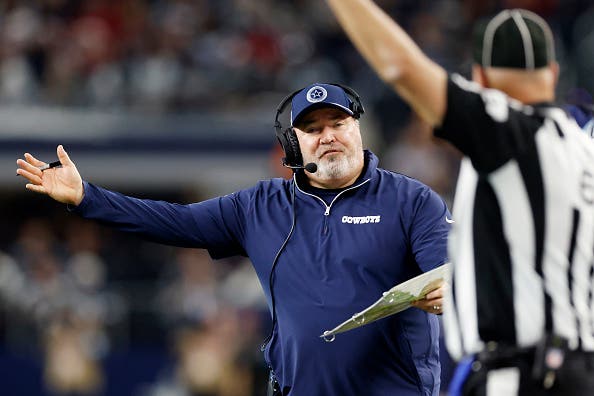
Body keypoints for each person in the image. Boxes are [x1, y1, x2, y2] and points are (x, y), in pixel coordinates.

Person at [16, 82, 452, 396]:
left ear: (357, 128)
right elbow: (172, 221)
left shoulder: (412, 201)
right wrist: (86, 197)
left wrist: (449, 288)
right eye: (313, 129)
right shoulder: (259, 206)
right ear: (294, 144)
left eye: (338, 122)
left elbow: (449, 270)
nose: (329, 136)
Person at [324, 1, 594, 395]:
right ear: (552, 73)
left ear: (480, 78)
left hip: (524, 374)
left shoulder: (506, 127)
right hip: (576, 368)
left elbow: (401, 67)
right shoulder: (580, 146)